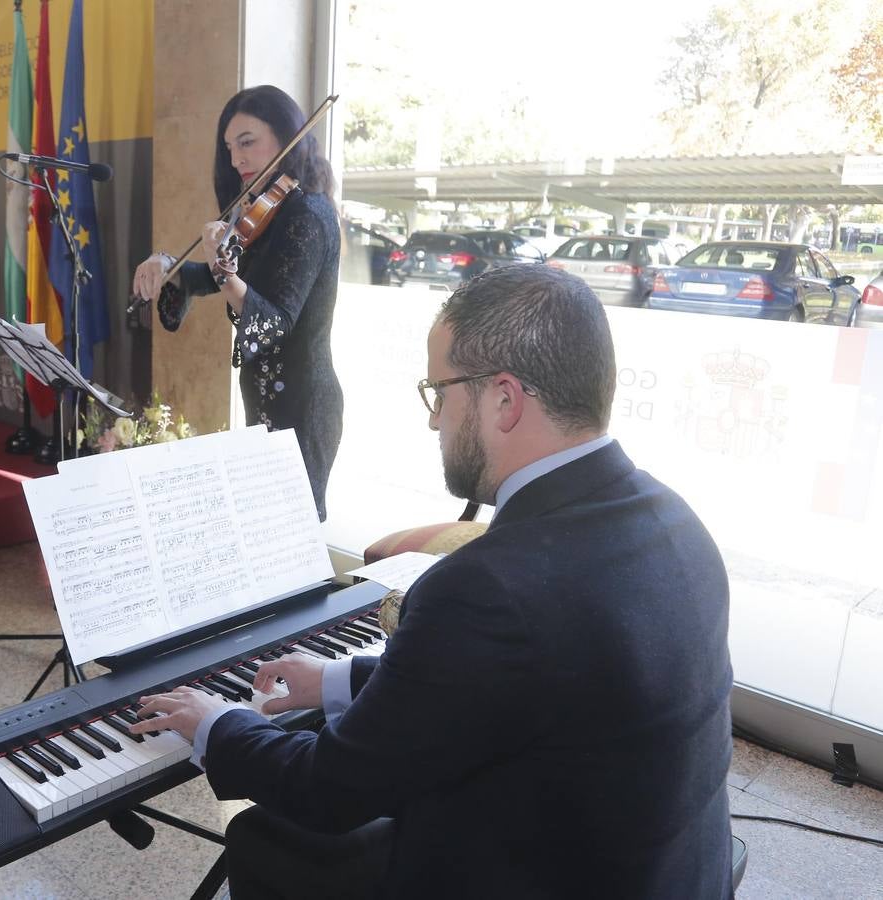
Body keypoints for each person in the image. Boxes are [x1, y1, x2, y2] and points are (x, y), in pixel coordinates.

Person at [131, 265, 735, 898]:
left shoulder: (487, 588)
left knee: (283, 835)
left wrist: (214, 724)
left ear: (505, 400)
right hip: (673, 873)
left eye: (439, 392)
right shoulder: (676, 521)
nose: (434, 422)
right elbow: (528, 684)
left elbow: (326, 790)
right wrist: (339, 680)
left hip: (547, 873)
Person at [131, 85, 343, 520]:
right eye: (229, 147)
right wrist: (167, 263)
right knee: (264, 532)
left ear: (286, 135)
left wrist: (226, 273)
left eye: (247, 142)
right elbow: (209, 278)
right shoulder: (266, 213)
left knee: (290, 535)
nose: (235, 159)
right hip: (263, 397)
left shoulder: (309, 217)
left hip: (304, 404)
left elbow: (274, 321)